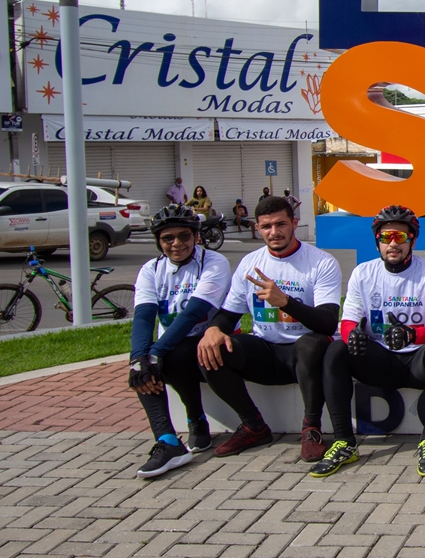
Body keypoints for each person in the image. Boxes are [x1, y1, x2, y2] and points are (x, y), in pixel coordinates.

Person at [311, 206, 425, 478]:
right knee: (336, 349)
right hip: (380, 360)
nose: (393, 244)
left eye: (400, 237)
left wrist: (412, 335)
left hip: (418, 361)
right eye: (386, 237)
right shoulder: (363, 273)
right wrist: (352, 334)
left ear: (412, 240)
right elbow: (348, 319)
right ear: (377, 240)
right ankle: (344, 442)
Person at [196, 195, 342, 461]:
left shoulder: (321, 262)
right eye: (266, 226)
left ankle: (311, 429)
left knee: (312, 343)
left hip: (304, 357)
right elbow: (229, 314)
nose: (274, 232)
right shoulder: (250, 263)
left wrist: (285, 302)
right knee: (210, 349)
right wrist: (214, 329)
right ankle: (253, 426)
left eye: (280, 224)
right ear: (257, 228)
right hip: (265, 349)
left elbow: (328, 322)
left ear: (294, 223)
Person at [128, 204, 232, 478]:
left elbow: (194, 312)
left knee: (168, 355)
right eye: (168, 238)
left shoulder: (214, 262)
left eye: (184, 236)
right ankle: (167, 439)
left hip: (210, 340)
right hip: (173, 344)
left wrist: (156, 352)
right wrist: (138, 358)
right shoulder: (151, 269)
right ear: (158, 241)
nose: (177, 244)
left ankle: (196, 420)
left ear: (196, 236)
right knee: (143, 368)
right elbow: (144, 317)